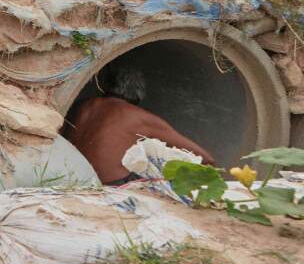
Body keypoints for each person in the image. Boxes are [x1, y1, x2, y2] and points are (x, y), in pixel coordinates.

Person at [64, 66, 216, 185]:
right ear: (139, 94)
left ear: (104, 85)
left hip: (69, 179)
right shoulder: (138, 116)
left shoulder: (81, 106)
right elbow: (204, 158)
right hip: (110, 184)